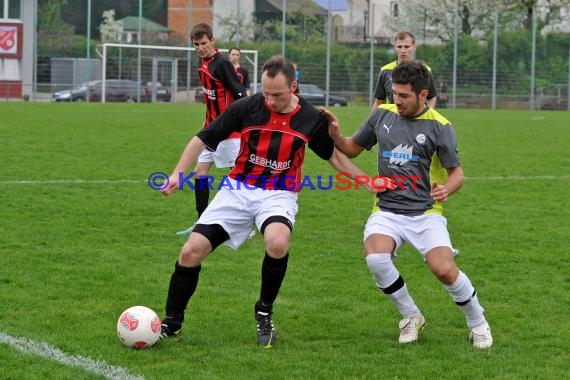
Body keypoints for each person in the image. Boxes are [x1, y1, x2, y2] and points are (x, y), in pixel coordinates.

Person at [159, 56, 373, 348]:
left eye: (277, 94)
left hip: (279, 193)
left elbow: (334, 155)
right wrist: (176, 174)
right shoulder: (248, 107)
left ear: (293, 87)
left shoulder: (310, 117)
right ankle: (171, 324)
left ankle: (264, 311)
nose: (269, 100)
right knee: (190, 251)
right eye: (266, 92)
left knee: (277, 242)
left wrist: (368, 182)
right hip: (237, 189)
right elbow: (203, 138)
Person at [322, 61, 493, 349]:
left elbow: (457, 174)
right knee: (376, 258)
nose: (397, 101)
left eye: (403, 96)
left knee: (444, 270)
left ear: (422, 94)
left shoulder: (441, 127)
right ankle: (411, 317)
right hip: (387, 210)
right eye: (395, 94)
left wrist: (446, 190)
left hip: (426, 213)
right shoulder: (382, 116)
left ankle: (478, 323)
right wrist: (336, 134)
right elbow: (351, 147)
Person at [176, 23, 247, 236]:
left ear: (213, 41)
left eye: (204, 43)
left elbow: (240, 94)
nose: (200, 48)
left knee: (236, 177)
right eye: (196, 44)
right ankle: (201, 222)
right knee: (200, 174)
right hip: (209, 129)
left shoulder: (222, 63)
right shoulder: (204, 62)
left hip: (227, 132)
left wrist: (235, 123)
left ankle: (246, 225)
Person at [371, 31, 437, 111]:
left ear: (414, 46)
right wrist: (373, 122)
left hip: (416, 121)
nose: (403, 50)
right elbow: (379, 101)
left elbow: (431, 97)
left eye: (406, 47)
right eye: (399, 47)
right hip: (394, 120)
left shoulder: (424, 70)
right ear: (395, 47)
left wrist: (426, 117)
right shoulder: (385, 70)